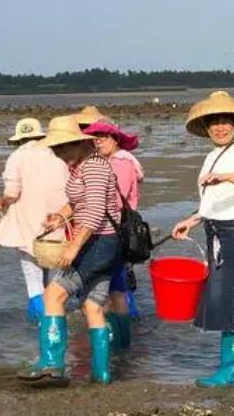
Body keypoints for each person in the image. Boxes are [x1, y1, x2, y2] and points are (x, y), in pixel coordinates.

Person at [171, 91, 234, 387]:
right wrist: (191, 221)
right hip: (215, 229)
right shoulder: (211, 156)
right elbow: (212, 199)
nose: (220, 127)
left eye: (225, 121)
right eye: (214, 122)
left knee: (232, 299)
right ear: (206, 127)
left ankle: (231, 371)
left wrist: (225, 176)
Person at [17, 115, 120, 385]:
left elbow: (97, 210)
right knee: (92, 306)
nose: (60, 154)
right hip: (103, 243)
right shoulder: (84, 165)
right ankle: (101, 373)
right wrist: (60, 218)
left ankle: (52, 363)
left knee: (53, 295)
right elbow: (80, 202)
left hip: (97, 243)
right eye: (55, 149)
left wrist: (74, 246)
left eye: (63, 147)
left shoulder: (94, 167)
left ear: (79, 142)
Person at [0, 118, 69, 323]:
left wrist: (1, 202)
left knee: (33, 277)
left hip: (27, 223)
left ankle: (41, 325)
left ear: (19, 140)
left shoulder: (17, 156)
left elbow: (13, 193)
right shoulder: (57, 153)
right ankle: (56, 318)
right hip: (58, 221)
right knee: (53, 276)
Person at [84, 120, 143, 350]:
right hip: (113, 230)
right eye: (95, 137)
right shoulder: (115, 161)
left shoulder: (121, 163)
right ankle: (120, 341)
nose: (98, 141)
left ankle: (114, 341)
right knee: (114, 288)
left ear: (115, 139)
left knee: (111, 290)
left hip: (112, 232)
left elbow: (115, 201)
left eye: (103, 136)